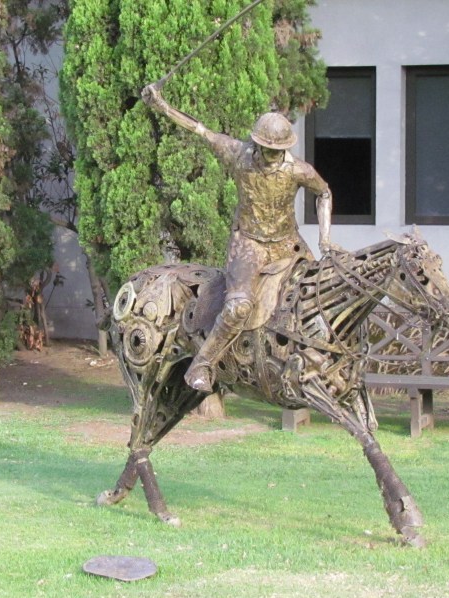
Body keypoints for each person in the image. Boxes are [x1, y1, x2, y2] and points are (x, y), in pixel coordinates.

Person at [141, 82, 336, 393]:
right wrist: (161, 106)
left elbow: (324, 193)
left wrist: (325, 239)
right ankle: (202, 364)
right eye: (267, 149)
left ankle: (316, 364)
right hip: (249, 245)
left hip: (289, 245)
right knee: (238, 308)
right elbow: (200, 130)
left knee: (319, 297)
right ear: (256, 144)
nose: (272, 156)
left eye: (278, 151)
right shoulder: (238, 155)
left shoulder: (299, 170)